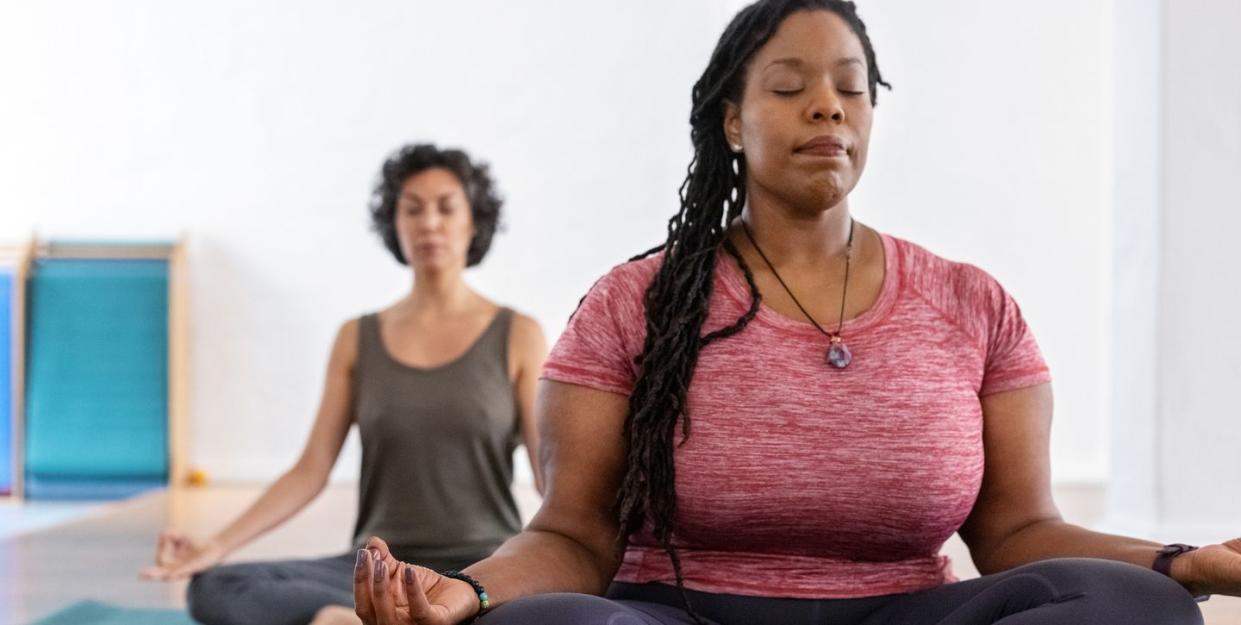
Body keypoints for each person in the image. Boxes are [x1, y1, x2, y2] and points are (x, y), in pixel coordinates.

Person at [353, 3, 1240, 624]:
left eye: (849, 88)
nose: (826, 104)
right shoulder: (633, 302)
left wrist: (1179, 561)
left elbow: (1017, 532)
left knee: (1139, 609)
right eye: (788, 86)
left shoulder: (971, 302)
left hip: (907, 611)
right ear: (732, 123)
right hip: (675, 612)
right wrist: (467, 593)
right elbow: (571, 531)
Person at [141, 144, 547, 625]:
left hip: (479, 569)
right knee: (217, 586)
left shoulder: (519, 334)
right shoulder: (357, 338)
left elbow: (553, 479)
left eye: (446, 207)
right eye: (412, 209)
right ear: (393, 225)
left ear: (474, 221)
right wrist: (214, 545)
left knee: (540, 608)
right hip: (375, 569)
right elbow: (310, 470)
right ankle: (345, 619)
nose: (429, 223)